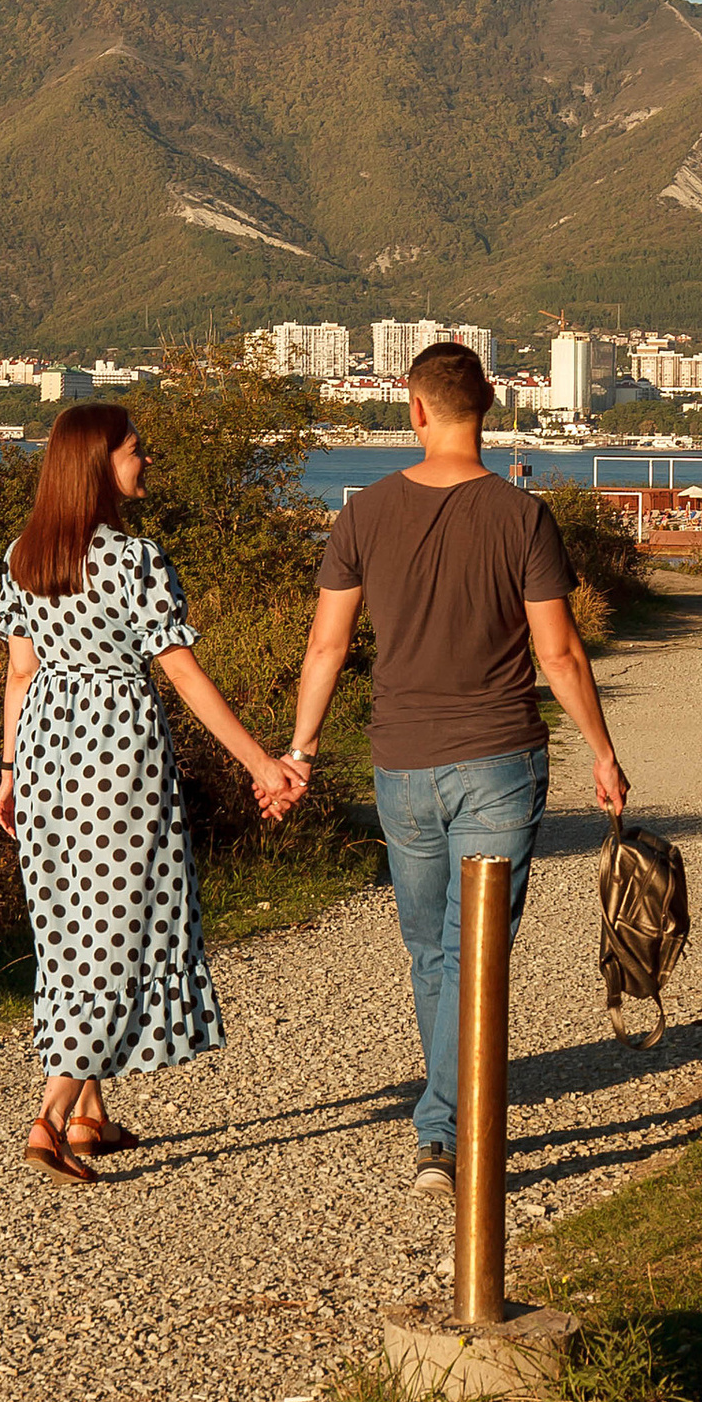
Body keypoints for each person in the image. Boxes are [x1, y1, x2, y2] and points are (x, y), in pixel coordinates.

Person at [280, 340, 627, 1198]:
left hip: (400, 760)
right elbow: (560, 653)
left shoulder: (362, 513)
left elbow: (328, 645)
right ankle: (445, 1130)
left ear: (416, 408)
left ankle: (443, 1128)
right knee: (477, 954)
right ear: (487, 410)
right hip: (502, 759)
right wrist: (604, 751)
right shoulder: (522, 516)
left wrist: (301, 752)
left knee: (432, 954)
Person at [0, 402, 297, 1187]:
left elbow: (20, 672)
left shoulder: (25, 554)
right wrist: (261, 763)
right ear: (100, 463)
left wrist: (9, 771)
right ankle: (52, 1114)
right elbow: (183, 674)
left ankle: (92, 1114)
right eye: (136, 450)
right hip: (116, 753)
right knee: (122, 930)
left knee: (70, 927)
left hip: (46, 752)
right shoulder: (133, 559)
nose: (147, 460)